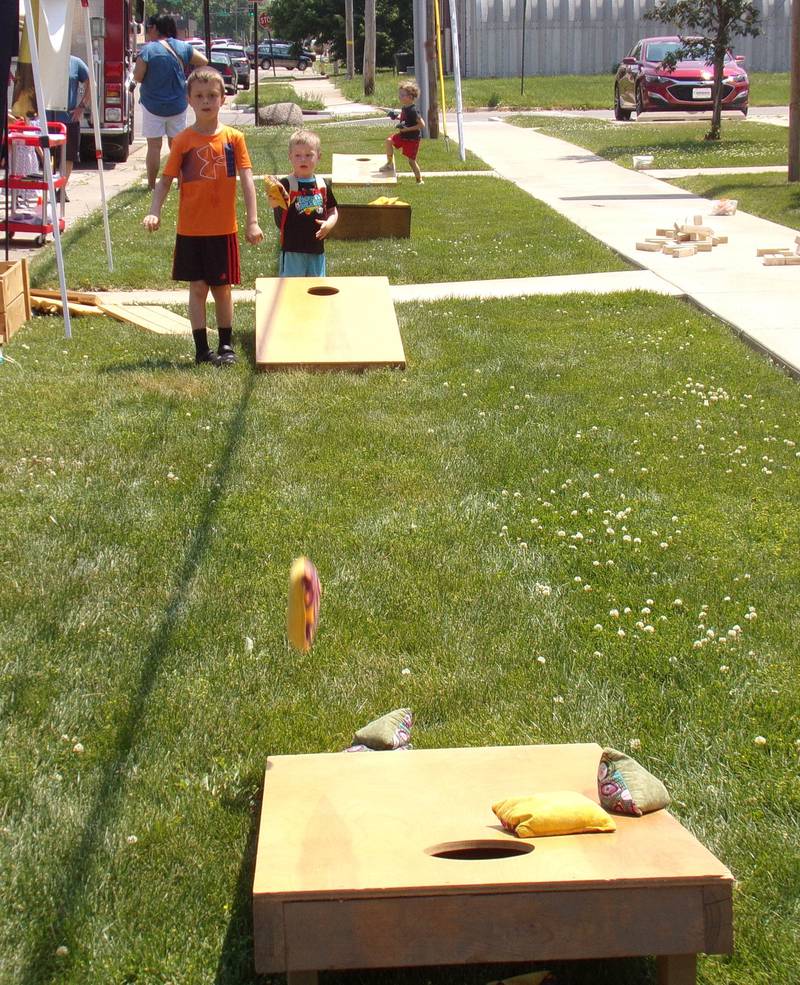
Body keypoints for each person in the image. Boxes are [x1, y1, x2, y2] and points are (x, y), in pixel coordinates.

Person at [142, 67, 263, 367]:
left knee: (222, 288)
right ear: (189, 100)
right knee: (197, 288)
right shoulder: (183, 140)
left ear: (223, 99)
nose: (206, 101)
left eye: (212, 95)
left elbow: (247, 180)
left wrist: (252, 220)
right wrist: (154, 211)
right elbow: (166, 179)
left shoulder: (234, 139)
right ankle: (201, 350)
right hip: (191, 230)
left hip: (224, 229)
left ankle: (226, 346)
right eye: (199, 96)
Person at [132, 14, 207, 189]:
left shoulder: (148, 51)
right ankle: (181, 183)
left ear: (157, 28)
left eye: (149, 27)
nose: (148, 31)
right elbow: (203, 61)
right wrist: (189, 80)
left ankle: (151, 185)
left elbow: (138, 76)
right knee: (178, 146)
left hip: (152, 106)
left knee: (154, 147)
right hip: (178, 105)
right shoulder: (182, 47)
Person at [265, 130, 338, 277]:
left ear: (319, 157)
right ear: (290, 157)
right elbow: (275, 205)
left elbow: (332, 210)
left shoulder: (322, 184)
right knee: (292, 288)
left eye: (309, 155)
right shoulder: (287, 184)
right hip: (293, 249)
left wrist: (329, 224)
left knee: (316, 288)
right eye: (297, 155)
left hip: (317, 249)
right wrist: (273, 196)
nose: (303, 160)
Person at [46, 54, 90, 196]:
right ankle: (51, 186)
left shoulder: (76, 63)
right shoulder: (46, 59)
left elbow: (91, 82)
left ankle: (62, 189)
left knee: (69, 156)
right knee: (50, 154)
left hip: (69, 118)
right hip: (49, 117)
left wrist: (82, 106)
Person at [380, 80, 424, 184]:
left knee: (411, 161)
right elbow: (405, 119)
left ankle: (419, 180)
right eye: (399, 94)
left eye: (402, 95)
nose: (400, 96)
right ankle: (390, 164)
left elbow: (422, 125)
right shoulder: (405, 108)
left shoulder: (413, 110)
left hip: (412, 139)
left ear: (410, 96)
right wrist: (395, 116)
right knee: (389, 141)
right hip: (403, 136)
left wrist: (406, 129)